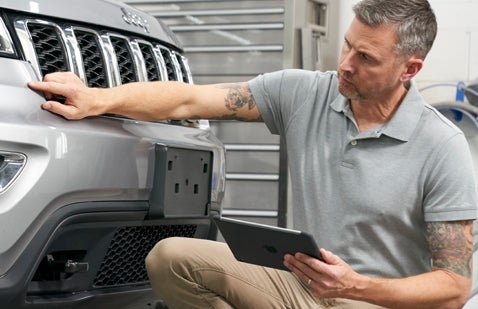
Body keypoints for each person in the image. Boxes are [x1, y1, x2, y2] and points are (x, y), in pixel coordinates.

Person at [28, 0, 476, 308]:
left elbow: (454, 287)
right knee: (172, 258)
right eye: (347, 45)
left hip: (374, 300)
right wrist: (98, 99)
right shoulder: (307, 93)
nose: (346, 63)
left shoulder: (441, 146)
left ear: (409, 69)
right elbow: (188, 100)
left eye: (366, 57)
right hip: (301, 287)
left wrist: (358, 285)